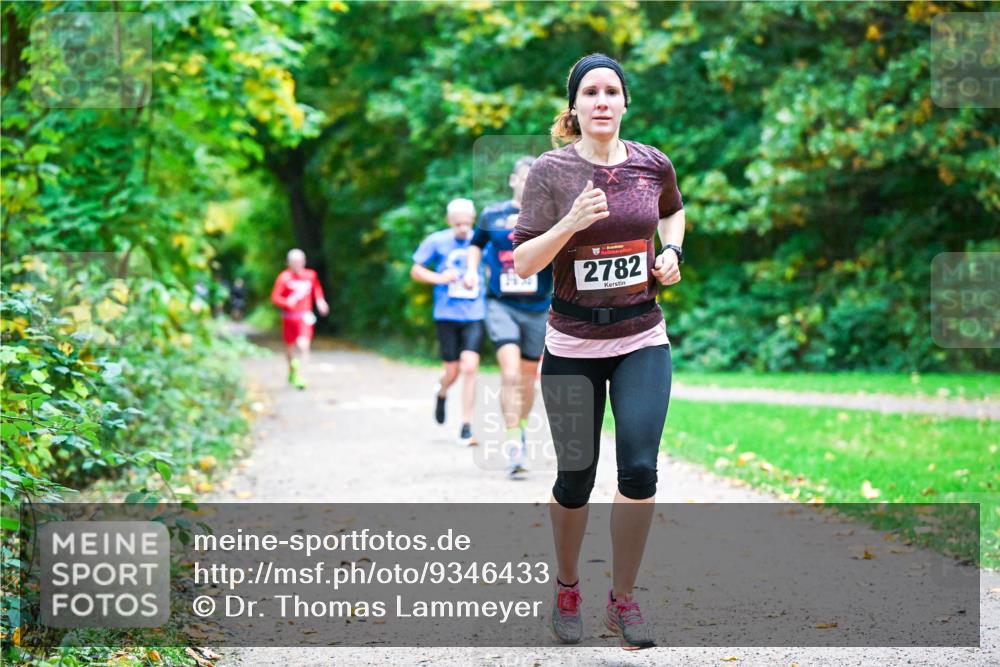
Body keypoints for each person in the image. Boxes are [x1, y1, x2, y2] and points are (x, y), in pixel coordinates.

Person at [512, 53, 685, 650]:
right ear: (575, 106)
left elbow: (674, 212)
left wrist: (672, 253)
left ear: (625, 102)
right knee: (575, 477)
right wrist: (569, 223)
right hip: (572, 343)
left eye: (612, 90)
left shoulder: (651, 163)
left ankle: (623, 599)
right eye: (591, 92)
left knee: (639, 469)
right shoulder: (551, 172)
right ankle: (567, 586)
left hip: (641, 336)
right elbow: (523, 262)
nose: (602, 100)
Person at [463, 156, 553, 479]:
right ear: (514, 180)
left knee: (528, 379)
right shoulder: (493, 214)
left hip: (538, 307)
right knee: (511, 373)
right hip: (501, 305)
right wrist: (472, 271)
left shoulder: (550, 217)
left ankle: (521, 428)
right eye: (524, 178)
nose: (529, 184)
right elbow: (476, 245)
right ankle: (513, 440)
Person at [411, 198, 486, 446]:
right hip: (446, 314)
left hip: (474, 313)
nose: (463, 228)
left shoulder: (480, 240)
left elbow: (494, 267)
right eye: (457, 224)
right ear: (449, 221)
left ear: (473, 220)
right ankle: (442, 390)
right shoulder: (437, 240)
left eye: (467, 223)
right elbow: (416, 270)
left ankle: (466, 425)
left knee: (470, 367)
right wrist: (440, 278)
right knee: (452, 371)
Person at [270, 249, 329, 390]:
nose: (297, 264)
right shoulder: (283, 278)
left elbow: (317, 290)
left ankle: (302, 376)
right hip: (289, 318)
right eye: (294, 262)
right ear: (288, 263)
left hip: (304, 317)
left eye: (300, 261)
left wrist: (320, 301)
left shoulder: (310, 275)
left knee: (303, 345)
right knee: (290, 350)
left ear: (304, 261)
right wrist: (286, 302)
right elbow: (275, 297)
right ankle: (292, 372)